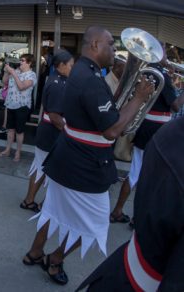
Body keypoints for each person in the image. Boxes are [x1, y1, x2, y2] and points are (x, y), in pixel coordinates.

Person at [22, 26, 153, 285]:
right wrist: (138, 98)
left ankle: (35, 252)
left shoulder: (84, 72)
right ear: (95, 45)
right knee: (95, 224)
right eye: (111, 45)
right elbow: (112, 130)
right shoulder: (90, 78)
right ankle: (55, 259)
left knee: (53, 210)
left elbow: (103, 111)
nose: (116, 50)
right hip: (85, 165)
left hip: (67, 159)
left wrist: (124, 98)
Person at [77, 116, 184, 291]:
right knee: (92, 224)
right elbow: (112, 131)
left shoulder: (173, 130)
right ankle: (117, 210)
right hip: (136, 279)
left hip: (123, 271)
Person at [109, 45, 183, 225]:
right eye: (164, 51)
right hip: (157, 131)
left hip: (146, 128)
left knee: (136, 172)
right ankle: (135, 216)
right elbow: (175, 106)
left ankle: (119, 211)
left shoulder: (150, 72)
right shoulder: (161, 75)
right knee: (147, 175)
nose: (167, 55)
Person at [20, 50, 74, 213]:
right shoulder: (58, 84)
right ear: (61, 65)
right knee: (46, 169)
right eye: (71, 65)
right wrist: (70, 134)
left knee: (40, 167)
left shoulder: (58, 80)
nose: (73, 67)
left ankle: (31, 201)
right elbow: (55, 117)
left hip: (47, 133)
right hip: (51, 134)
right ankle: (38, 203)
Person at [0, 54, 37, 162]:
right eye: (20, 60)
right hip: (10, 104)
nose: (20, 62)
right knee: (10, 130)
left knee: (19, 131)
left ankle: (18, 152)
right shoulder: (17, 71)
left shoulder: (32, 75)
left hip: (22, 106)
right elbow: (4, 82)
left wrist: (13, 72)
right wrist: (6, 71)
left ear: (29, 63)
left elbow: (21, 87)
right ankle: (8, 149)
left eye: (23, 60)